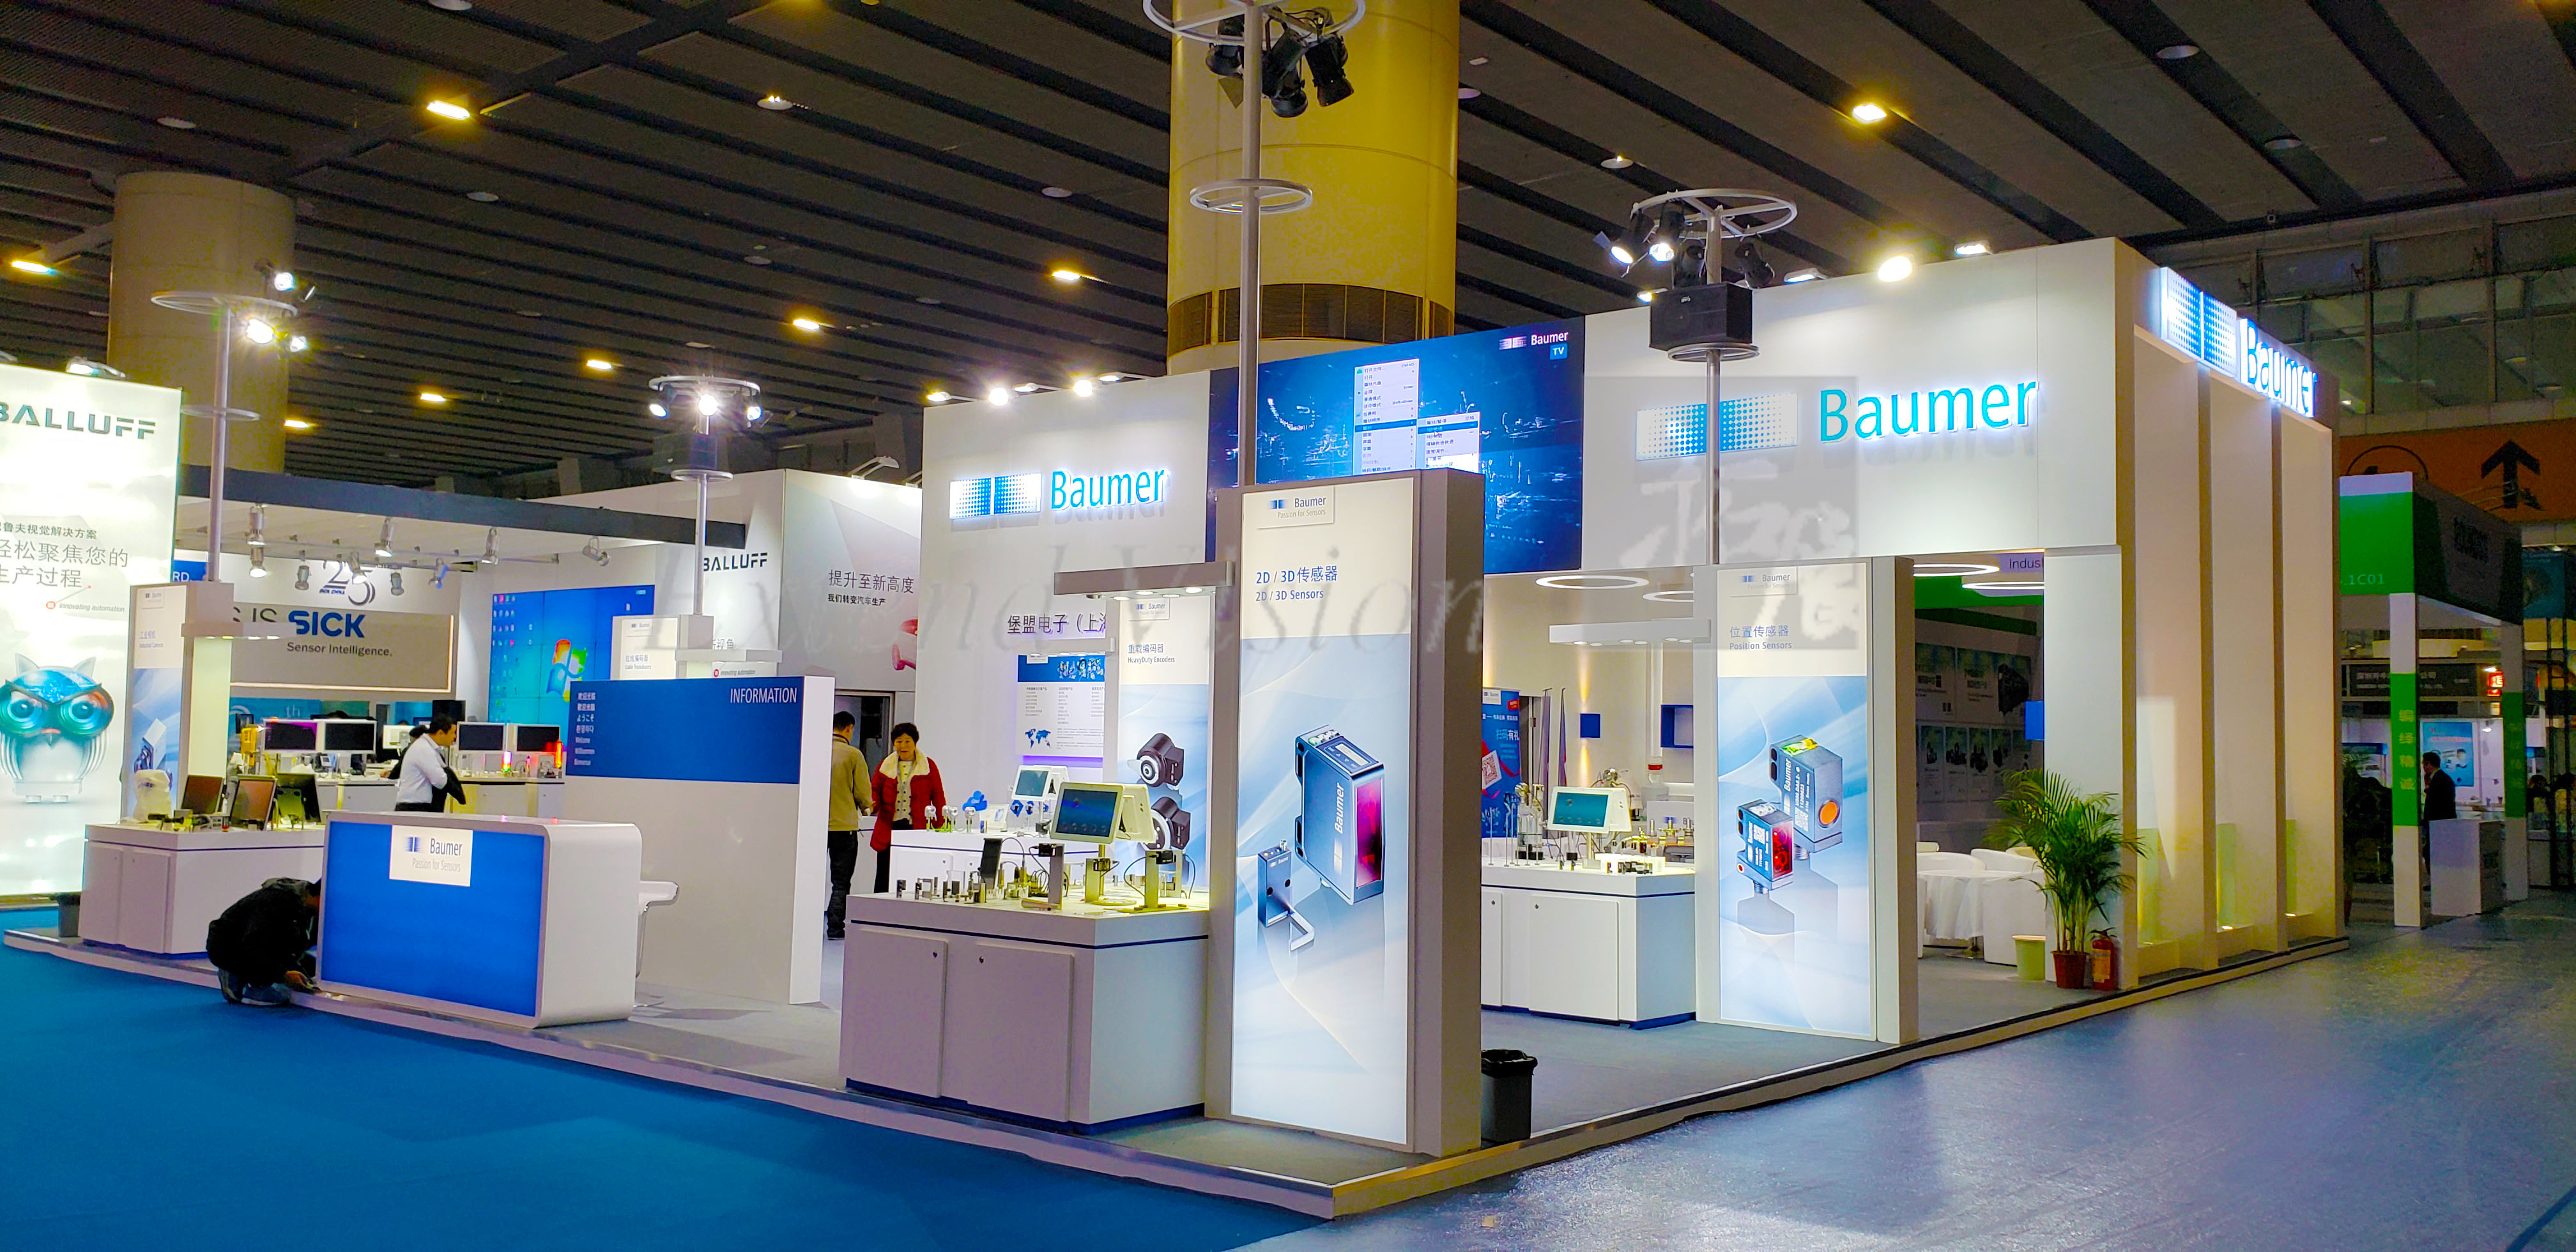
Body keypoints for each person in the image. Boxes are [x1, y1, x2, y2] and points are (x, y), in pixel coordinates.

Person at [206, 877, 321, 1007]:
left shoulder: (308, 908)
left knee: (312, 968)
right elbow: (255, 944)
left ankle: (256, 977)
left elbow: (292, 946)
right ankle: (245, 982)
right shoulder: (275, 901)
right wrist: (283, 975)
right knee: (262, 963)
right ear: (319, 896)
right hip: (229, 946)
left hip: (260, 943)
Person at [870, 722, 946, 897]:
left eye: (907, 741)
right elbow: (875, 791)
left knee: (913, 871)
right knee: (884, 874)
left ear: (915, 743)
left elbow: (938, 795)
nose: (903, 746)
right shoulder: (885, 766)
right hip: (889, 828)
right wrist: (872, 806)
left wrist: (941, 823)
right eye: (899, 741)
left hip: (916, 828)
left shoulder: (928, 766)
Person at [825, 710, 873, 939]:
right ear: (849, 728)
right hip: (844, 827)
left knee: (809, 878)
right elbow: (863, 793)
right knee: (841, 882)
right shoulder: (853, 755)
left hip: (814, 827)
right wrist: (867, 807)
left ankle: (804, 926)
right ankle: (835, 928)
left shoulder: (816, 751)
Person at [394, 716, 467, 813]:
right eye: (453, 733)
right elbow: (440, 781)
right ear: (440, 733)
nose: (455, 737)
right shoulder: (424, 750)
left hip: (417, 807)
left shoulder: (427, 747)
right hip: (415, 808)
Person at [2422, 751, 2457, 822]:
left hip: (2439, 821)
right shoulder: (2443, 778)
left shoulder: (2440, 779)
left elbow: (2436, 802)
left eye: (2424, 764)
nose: (2423, 768)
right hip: (2443, 821)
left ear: (2428, 764)